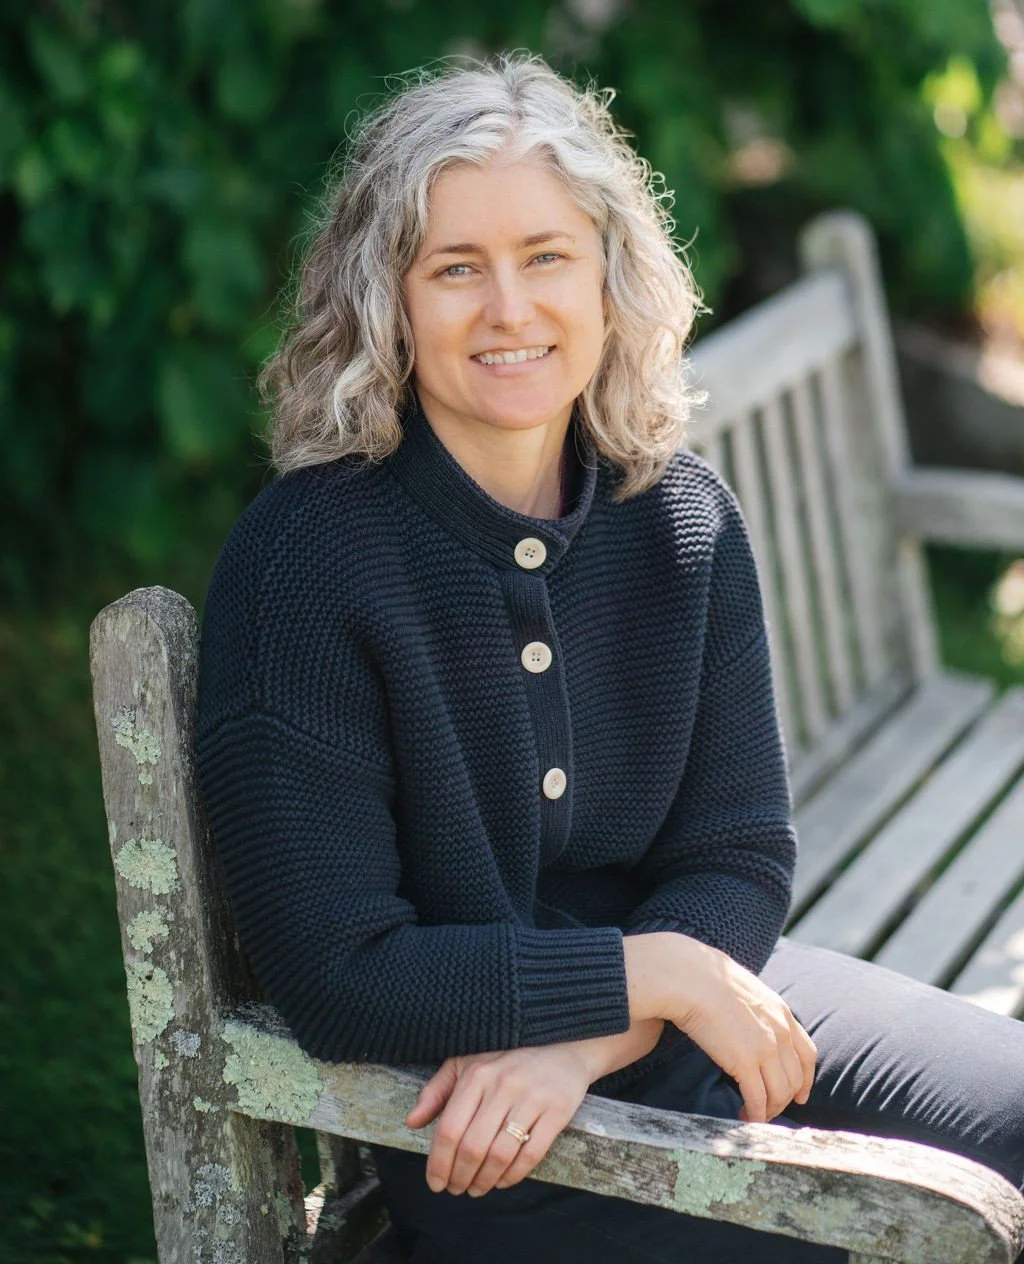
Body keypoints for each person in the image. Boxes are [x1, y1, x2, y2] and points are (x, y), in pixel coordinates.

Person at [194, 51, 1024, 1264]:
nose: (509, 309)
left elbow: (737, 851)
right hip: (476, 1121)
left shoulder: (676, 515)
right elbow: (340, 972)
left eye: (546, 257)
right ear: (388, 300)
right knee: (899, 1243)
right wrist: (658, 976)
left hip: (682, 1016)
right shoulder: (307, 565)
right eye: (456, 267)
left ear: (607, 278)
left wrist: (616, 1016)